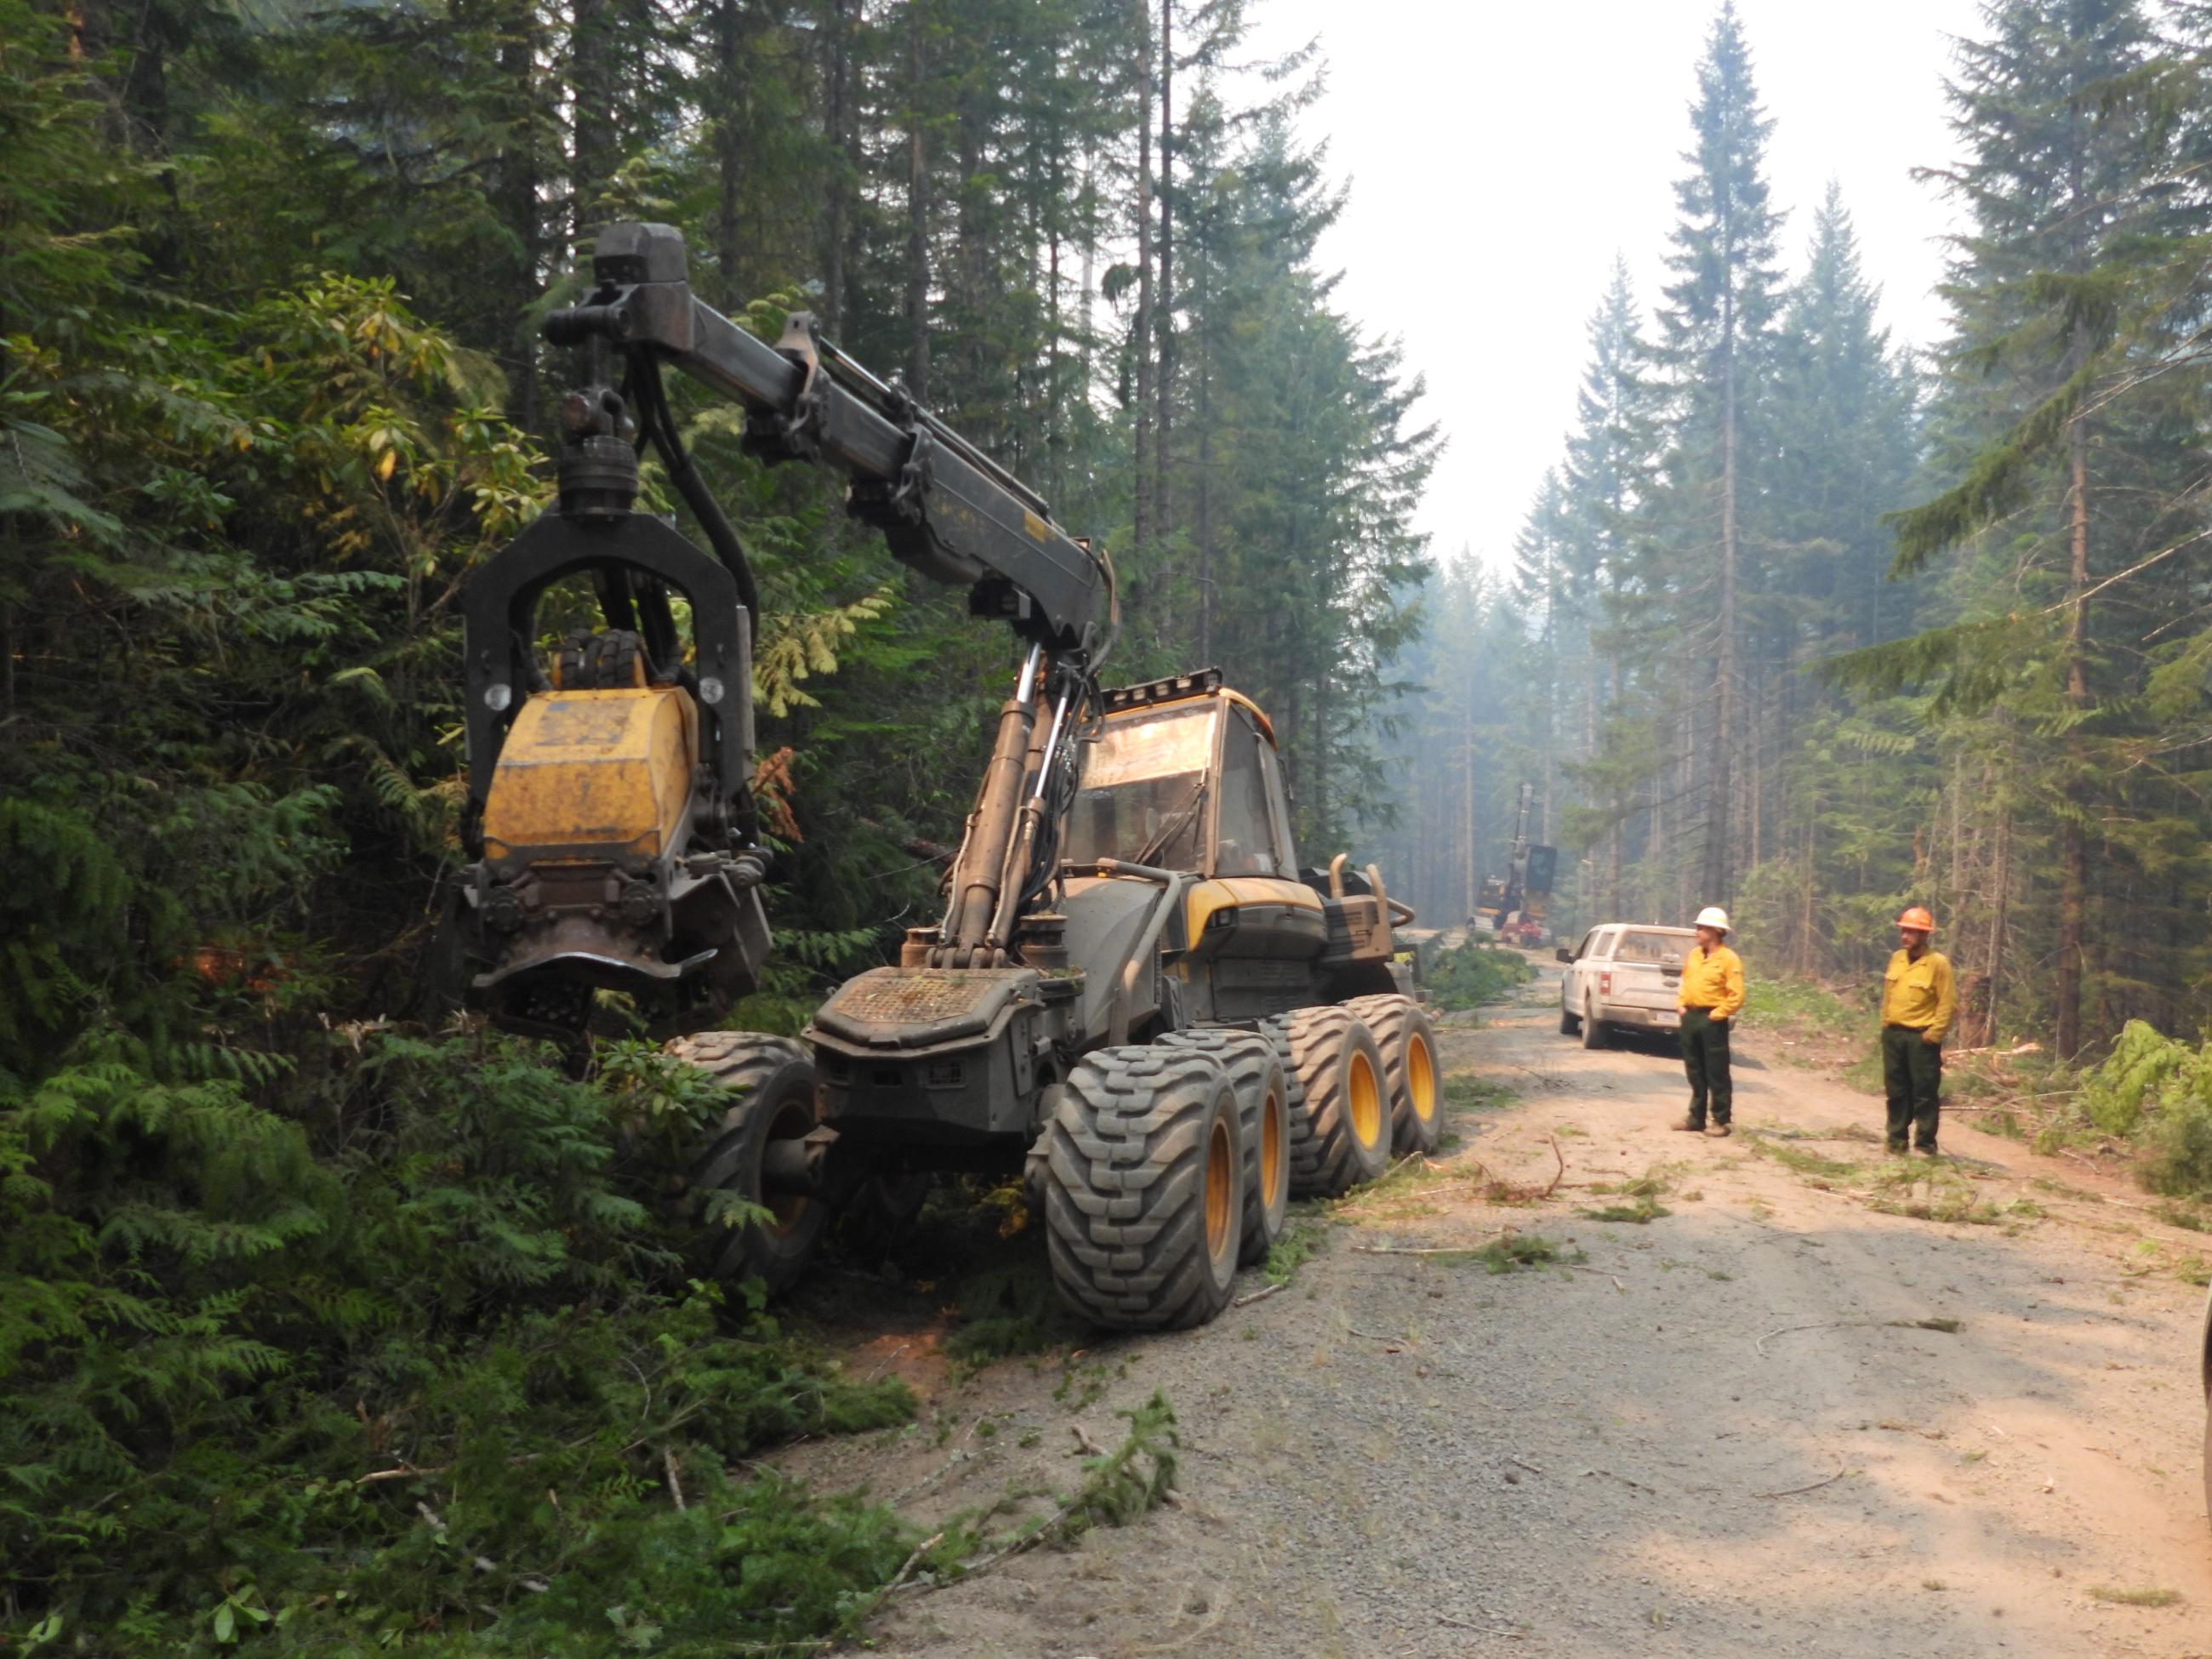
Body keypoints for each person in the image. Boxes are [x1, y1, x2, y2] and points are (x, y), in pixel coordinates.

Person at [1881, 905, 1956, 1156]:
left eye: (1911, 932)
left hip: (1921, 1038)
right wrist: (1886, 1025)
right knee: (1896, 1090)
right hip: (1894, 1035)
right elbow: (1889, 995)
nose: (1905, 937)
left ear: (1924, 936)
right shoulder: (1897, 959)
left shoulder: (1938, 964)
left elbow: (1947, 1003)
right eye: (1904, 931)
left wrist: (1934, 1035)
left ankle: (1924, 1144)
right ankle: (1896, 1141)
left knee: (1924, 1092)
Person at [1674, 906, 1744, 1137]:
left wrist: (1717, 1014)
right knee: (1694, 1069)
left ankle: (1721, 1120)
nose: (1697, 932)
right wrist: (1682, 1004)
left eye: (1701, 928)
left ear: (1715, 931)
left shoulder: (1729, 959)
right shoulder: (1694, 955)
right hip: (1690, 1017)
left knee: (1716, 1071)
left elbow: (1736, 995)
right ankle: (1696, 1118)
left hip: (1712, 1019)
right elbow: (1687, 981)